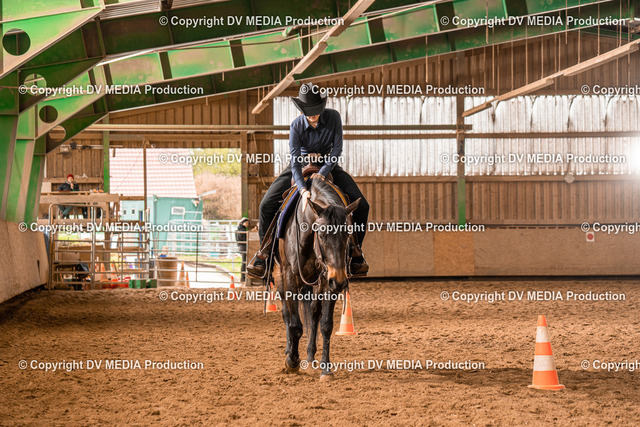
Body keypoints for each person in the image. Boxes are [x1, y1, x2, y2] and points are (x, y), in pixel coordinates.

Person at [247, 83, 369, 278]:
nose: (312, 115)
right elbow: (295, 161)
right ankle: (264, 255)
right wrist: (303, 190)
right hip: (300, 165)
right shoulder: (296, 125)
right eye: (308, 111)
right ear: (302, 109)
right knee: (266, 205)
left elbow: (337, 149)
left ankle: (356, 253)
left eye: (316, 110)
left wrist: (323, 171)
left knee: (362, 206)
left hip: (328, 164)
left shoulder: (334, 117)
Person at [235, 218, 249, 282]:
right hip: (243, 246)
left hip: (240, 246)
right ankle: (243, 277)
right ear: (242, 223)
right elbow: (244, 239)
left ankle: (243, 276)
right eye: (246, 223)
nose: (247, 224)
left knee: (244, 261)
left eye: (248, 223)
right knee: (244, 261)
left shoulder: (238, 229)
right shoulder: (242, 230)